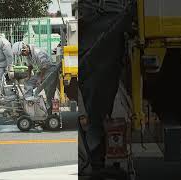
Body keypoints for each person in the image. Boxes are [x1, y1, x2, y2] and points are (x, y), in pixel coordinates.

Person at [78, 0, 132, 178]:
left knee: (95, 88)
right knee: (97, 89)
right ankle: (97, 155)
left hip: (105, 14)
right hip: (106, 14)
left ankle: (96, 156)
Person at [12, 41, 59, 111]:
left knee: (49, 93)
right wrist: (28, 76)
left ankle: (50, 112)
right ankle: (29, 103)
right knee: (28, 82)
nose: (23, 55)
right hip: (42, 71)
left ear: (24, 48)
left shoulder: (38, 52)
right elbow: (29, 66)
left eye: (22, 53)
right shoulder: (28, 54)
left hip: (50, 71)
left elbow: (45, 66)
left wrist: (40, 79)